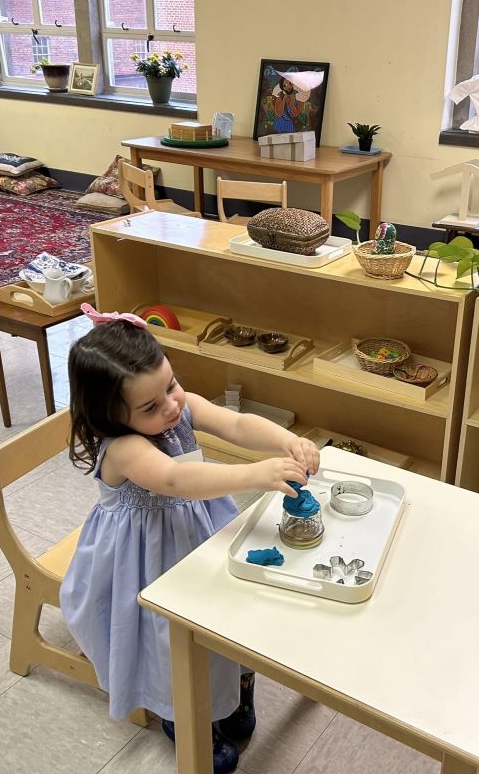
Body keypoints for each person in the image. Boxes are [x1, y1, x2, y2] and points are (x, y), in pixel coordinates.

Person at [60, 304, 320, 774]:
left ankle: (238, 695)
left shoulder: (173, 406)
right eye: (151, 406)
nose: (172, 406)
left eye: (172, 385)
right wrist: (254, 474)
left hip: (198, 532)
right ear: (110, 414)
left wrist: (286, 441)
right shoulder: (124, 449)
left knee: (230, 618)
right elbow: (175, 480)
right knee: (169, 643)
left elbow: (235, 423)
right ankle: (183, 718)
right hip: (146, 561)